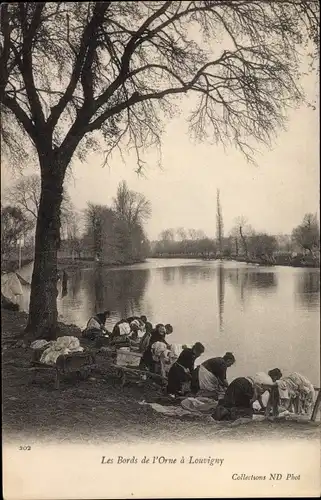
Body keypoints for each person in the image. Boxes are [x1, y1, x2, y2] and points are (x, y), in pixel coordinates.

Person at [212, 370, 281, 422]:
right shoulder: (270, 383)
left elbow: (258, 396)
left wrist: (261, 407)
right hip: (245, 385)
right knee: (244, 413)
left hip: (238, 381)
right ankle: (226, 415)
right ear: (275, 377)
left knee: (230, 404)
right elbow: (259, 396)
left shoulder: (262, 375)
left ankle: (220, 414)